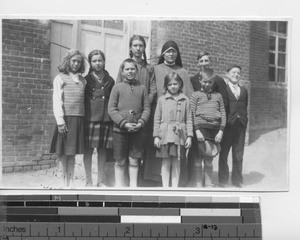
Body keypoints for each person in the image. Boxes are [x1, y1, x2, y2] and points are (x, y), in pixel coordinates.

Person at [146, 40, 194, 184]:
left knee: (176, 157)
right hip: (160, 115)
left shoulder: (183, 72)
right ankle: (155, 179)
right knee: (161, 154)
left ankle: (175, 183)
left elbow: (189, 97)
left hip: (179, 117)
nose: (171, 54)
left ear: (177, 54)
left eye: (174, 51)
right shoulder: (155, 69)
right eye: (168, 51)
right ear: (163, 54)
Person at [116, 35, 157, 186]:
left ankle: (136, 182)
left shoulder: (149, 68)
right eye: (135, 45)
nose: (138, 48)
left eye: (141, 45)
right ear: (130, 48)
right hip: (125, 115)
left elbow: (153, 89)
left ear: (144, 48)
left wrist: (144, 102)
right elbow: (118, 88)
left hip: (141, 114)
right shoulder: (125, 65)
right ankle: (122, 183)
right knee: (122, 153)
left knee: (137, 151)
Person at [108, 58, 150, 188]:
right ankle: (119, 187)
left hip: (137, 131)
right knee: (120, 161)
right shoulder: (117, 88)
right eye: (127, 69)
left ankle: (133, 187)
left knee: (134, 160)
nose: (130, 71)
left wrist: (141, 123)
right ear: (122, 71)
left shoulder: (142, 88)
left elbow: (147, 109)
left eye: (132, 69)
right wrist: (124, 123)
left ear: (136, 70)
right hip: (120, 131)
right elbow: (111, 109)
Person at [50, 49, 86, 188]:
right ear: (68, 62)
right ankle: (61, 182)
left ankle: (70, 183)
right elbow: (57, 100)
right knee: (62, 153)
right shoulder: (60, 78)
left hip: (78, 120)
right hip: (65, 120)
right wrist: (60, 122)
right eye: (74, 61)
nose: (76, 64)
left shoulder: (83, 81)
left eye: (79, 61)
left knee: (72, 154)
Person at [153, 72, 193, 188]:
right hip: (164, 135)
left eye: (175, 84)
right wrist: (156, 136)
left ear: (180, 84)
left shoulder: (185, 100)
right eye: (170, 84)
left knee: (177, 162)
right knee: (165, 162)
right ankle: (165, 187)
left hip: (180, 136)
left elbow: (189, 119)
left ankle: (174, 188)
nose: (173, 87)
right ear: (166, 86)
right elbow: (157, 119)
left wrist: (189, 136)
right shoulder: (162, 100)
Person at [83, 50, 115, 187]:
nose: (97, 63)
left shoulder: (110, 79)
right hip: (90, 119)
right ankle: (88, 181)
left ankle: (100, 180)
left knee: (102, 151)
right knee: (88, 151)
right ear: (90, 63)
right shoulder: (86, 80)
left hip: (105, 120)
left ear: (104, 61)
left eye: (100, 60)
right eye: (94, 61)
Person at [190, 68, 226, 187]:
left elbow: (223, 114)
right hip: (200, 129)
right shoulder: (195, 95)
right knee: (197, 160)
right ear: (200, 80)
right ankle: (199, 184)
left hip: (214, 131)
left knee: (209, 159)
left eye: (210, 82)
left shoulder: (218, 96)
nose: (207, 84)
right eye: (204, 81)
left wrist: (220, 131)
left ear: (213, 82)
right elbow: (192, 114)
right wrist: (197, 131)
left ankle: (209, 184)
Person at [218, 65, 248, 188]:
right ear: (227, 74)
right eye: (233, 72)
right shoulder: (224, 90)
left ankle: (237, 180)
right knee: (224, 153)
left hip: (240, 125)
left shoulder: (244, 91)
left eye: (238, 73)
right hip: (228, 125)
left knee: (238, 154)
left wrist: (243, 118)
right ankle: (223, 180)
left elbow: (245, 105)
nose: (236, 74)